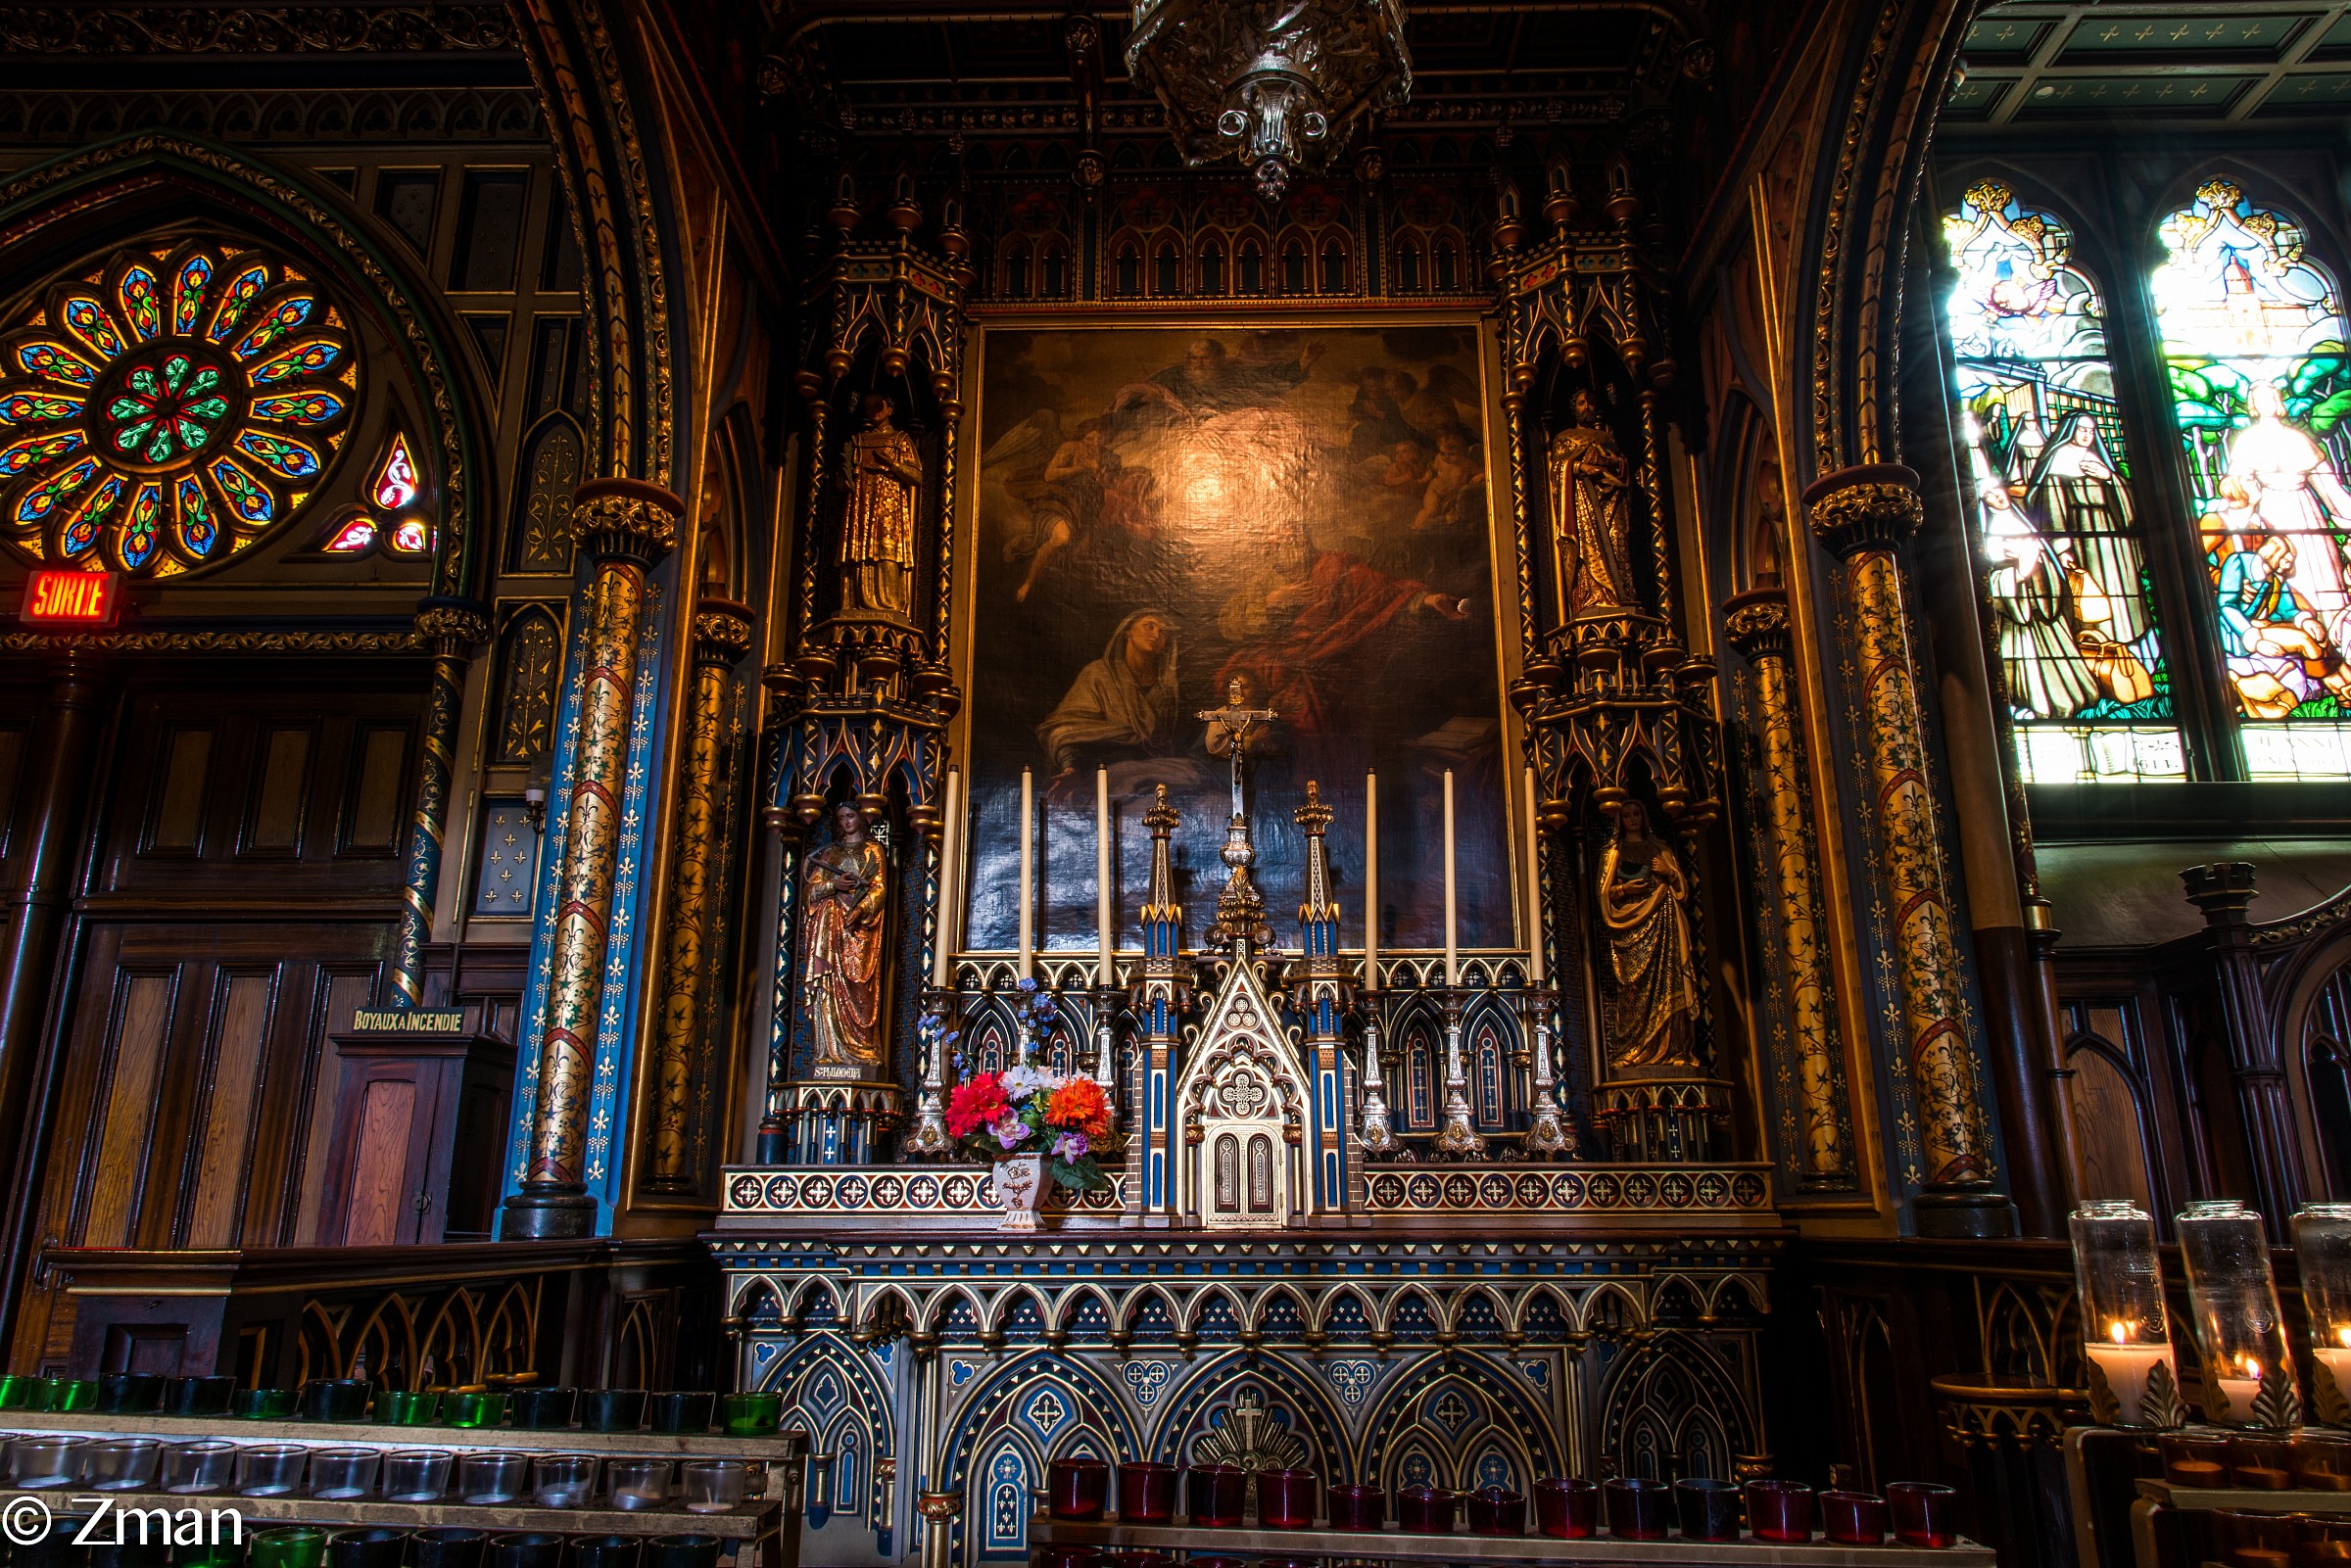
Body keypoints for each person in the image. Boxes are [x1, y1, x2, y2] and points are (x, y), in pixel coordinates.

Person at [1037, 610, 1208, 798]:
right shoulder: (1098, 675)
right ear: (1128, 631)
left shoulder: (1169, 690)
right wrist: (1072, 767)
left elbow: (1177, 743)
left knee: (1207, 793)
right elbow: (1065, 730)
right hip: (1108, 773)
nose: (1156, 635)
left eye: (1163, 632)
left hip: (1161, 773)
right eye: (1149, 626)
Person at [1598, 800, 1702, 1073]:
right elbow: (1604, 896)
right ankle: (1634, 1049)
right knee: (1635, 991)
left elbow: (1683, 890)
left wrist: (1668, 873)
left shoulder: (1661, 849)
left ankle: (1677, 1049)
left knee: (1671, 984)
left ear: (1644, 817)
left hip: (1665, 925)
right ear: (1619, 820)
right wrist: (1624, 890)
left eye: (1636, 814)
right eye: (1627, 815)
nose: (1632, 819)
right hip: (1630, 928)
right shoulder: (1613, 853)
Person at [803, 802, 888, 1069]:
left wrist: (860, 908)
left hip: (859, 930)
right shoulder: (829, 854)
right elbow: (811, 891)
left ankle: (861, 1048)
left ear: (861, 818)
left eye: (850, 816)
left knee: (859, 988)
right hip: (830, 932)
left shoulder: (873, 850)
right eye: (841, 818)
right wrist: (833, 885)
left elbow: (879, 888)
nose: (846, 822)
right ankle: (828, 1051)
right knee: (827, 988)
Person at [1549, 389, 1638, 618]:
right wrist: (1579, 467)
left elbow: (1624, 469)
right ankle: (1592, 598)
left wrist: (1615, 461)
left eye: (1590, 402)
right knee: (1588, 552)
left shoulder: (1606, 438)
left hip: (1612, 499)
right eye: (1580, 403)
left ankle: (1620, 597)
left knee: (1617, 544)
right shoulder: (1565, 438)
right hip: (1583, 503)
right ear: (1573, 408)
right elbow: (1557, 469)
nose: (1586, 407)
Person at [840, 393, 922, 619]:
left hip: (889, 507)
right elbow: (843, 477)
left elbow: (916, 476)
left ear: (890, 409)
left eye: (879, 405)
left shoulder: (901, 440)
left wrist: (892, 464)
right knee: (861, 552)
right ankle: (856, 602)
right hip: (862, 506)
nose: (874, 410)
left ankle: (888, 605)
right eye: (869, 407)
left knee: (887, 554)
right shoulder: (858, 440)